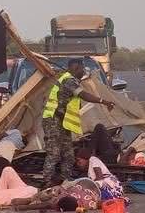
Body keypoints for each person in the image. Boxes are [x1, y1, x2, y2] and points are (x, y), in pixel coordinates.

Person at [41, 59, 114, 187]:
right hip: (53, 120)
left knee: (69, 154)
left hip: (62, 122)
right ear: (75, 68)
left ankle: (65, 180)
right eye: (82, 69)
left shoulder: (71, 79)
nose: (83, 71)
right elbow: (84, 95)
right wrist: (103, 101)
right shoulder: (69, 80)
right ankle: (46, 182)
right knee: (54, 153)